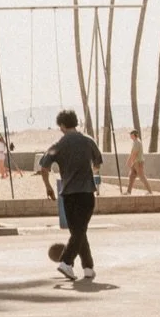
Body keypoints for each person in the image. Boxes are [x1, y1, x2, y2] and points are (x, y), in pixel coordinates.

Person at [39, 110, 103, 281]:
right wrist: (88, 170)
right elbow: (97, 164)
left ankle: (88, 267)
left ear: (61, 125)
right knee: (80, 230)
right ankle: (66, 262)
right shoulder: (88, 141)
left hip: (68, 193)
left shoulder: (58, 144)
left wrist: (48, 187)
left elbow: (44, 168)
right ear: (76, 122)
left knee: (78, 231)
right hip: (86, 192)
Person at [125, 128, 152, 195]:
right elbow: (132, 153)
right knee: (131, 176)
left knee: (142, 176)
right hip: (135, 162)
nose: (130, 136)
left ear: (134, 135)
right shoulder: (134, 142)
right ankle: (128, 192)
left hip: (138, 162)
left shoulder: (137, 142)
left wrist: (131, 162)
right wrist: (129, 160)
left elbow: (135, 153)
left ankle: (150, 191)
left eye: (131, 134)